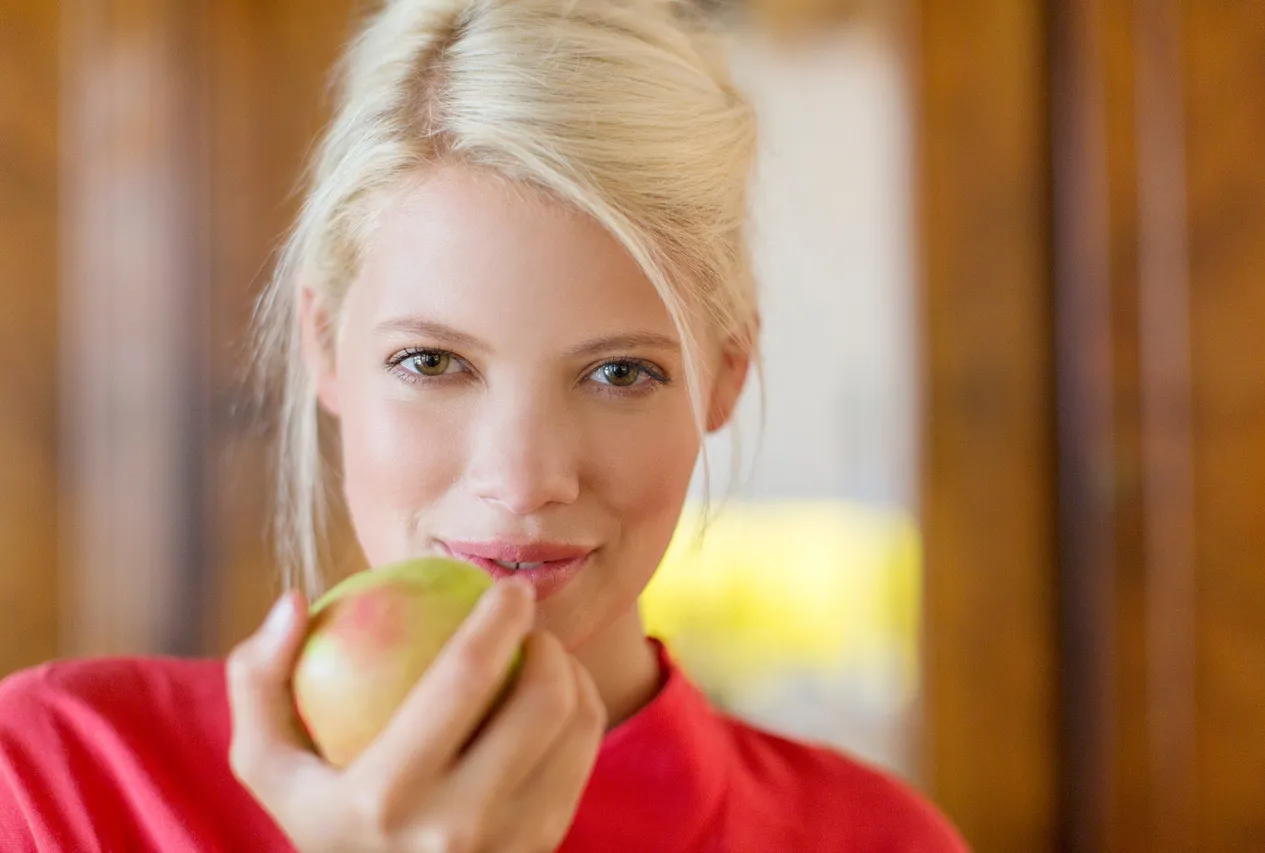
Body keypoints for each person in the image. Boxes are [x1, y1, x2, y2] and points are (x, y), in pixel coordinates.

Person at [0, 0, 968, 850]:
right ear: (325, 345)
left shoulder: (873, 842)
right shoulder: (60, 781)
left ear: (723, 376)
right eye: (433, 363)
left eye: (617, 372)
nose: (523, 477)